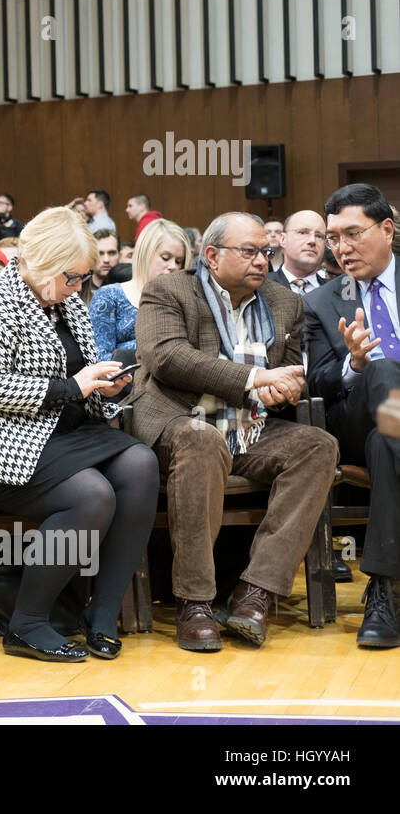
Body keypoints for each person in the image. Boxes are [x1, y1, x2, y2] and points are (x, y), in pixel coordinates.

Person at [0, 206, 158, 662]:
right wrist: (73, 386)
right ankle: (28, 623)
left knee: (141, 464)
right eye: (72, 277)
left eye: (82, 279)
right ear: (40, 263)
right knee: (92, 496)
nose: (79, 288)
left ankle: (103, 613)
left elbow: (81, 378)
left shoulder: (64, 299)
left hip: (64, 431)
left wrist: (107, 386)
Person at [130, 211, 338, 651]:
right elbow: (168, 358)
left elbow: (292, 371)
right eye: (249, 251)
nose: (261, 260)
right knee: (203, 440)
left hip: (250, 427)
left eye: (265, 251)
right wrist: (253, 379)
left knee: (318, 446)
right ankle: (196, 602)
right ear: (210, 255)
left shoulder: (285, 303)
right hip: (181, 420)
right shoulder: (169, 291)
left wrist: (287, 386)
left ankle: (255, 593)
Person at [303, 184, 400, 647]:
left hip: (386, 437)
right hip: (354, 419)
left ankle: (382, 591)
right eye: (333, 238)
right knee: (381, 370)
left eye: (352, 234)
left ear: (386, 229)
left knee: (390, 443)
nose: (341, 248)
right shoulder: (321, 302)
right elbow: (315, 383)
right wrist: (353, 364)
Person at [89, 218, 191, 361]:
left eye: (179, 261)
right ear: (146, 254)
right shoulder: (108, 297)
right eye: (165, 257)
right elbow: (99, 359)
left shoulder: (184, 301)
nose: (173, 266)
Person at [269, 210, 329, 294]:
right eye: (303, 233)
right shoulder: (262, 287)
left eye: (319, 236)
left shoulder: (337, 292)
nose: (312, 241)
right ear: (283, 239)